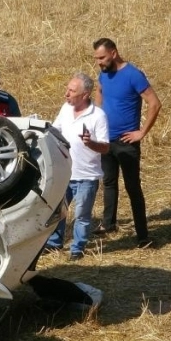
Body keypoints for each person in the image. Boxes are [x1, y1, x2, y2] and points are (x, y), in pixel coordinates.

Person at [92, 38, 161, 248]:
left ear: (114, 53)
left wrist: (141, 132)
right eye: (96, 58)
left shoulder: (133, 75)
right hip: (106, 140)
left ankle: (142, 236)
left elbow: (155, 103)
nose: (99, 62)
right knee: (109, 182)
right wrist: (96, 117)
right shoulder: (104, 73)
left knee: (132, 187)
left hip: (126, 142)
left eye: (102, 57)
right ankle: (108, 224)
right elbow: (100, 92)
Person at [45, 72, 109, 260]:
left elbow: (105, 147)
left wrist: (90, 144)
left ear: (85, 94)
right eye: (67, 89)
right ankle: (54, 242)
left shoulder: (98, 116)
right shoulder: (65, 109)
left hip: (86, 176)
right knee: (58, 211)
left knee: (81, 214)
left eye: (72, 91)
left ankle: (77, 248)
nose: (67, 94)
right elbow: (55, 131)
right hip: (64, 173)